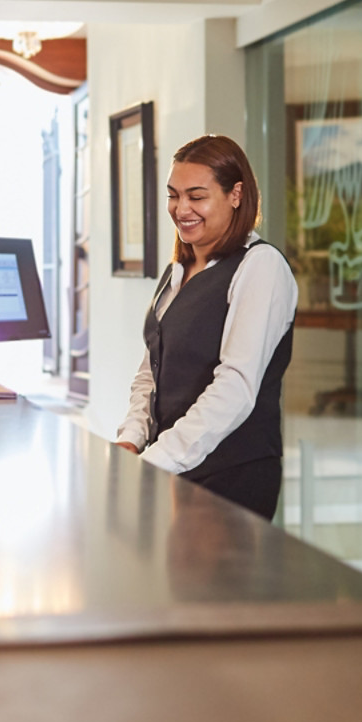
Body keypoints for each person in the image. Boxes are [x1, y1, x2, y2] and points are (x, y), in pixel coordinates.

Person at [115, 134, 297, 521]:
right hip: (176, 470)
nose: (181, 209)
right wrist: (131, 440)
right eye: (173, 195)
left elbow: (236, 386)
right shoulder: (177, 271)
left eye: (197, 197)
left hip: (231, 478)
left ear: (236, 194)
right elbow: (152, 372)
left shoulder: (260, 267)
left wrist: (158, 460)